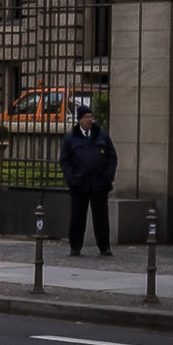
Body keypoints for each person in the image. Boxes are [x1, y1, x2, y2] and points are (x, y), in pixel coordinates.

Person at [60, 104, 117, 256]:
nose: (90, 120)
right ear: (80, 120)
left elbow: (112, 157)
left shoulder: (102, 136)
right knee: (78, 216)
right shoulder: (71, 138)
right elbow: (65, 160)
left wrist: (108, 176)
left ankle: (104, 246)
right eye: (86, 117)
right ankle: (75, 245)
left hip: (99, 184)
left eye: (91, 117)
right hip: (79, 184)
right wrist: (71, 178)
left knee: (101, 217)